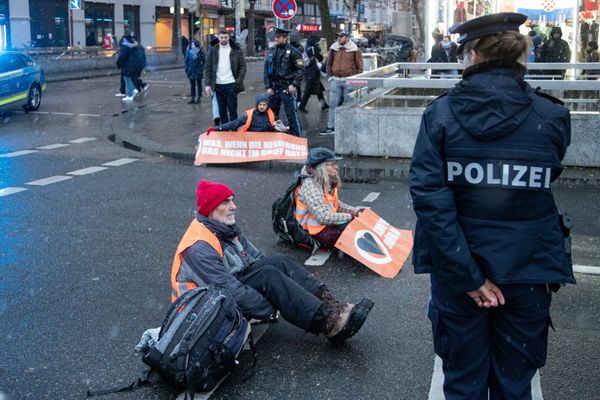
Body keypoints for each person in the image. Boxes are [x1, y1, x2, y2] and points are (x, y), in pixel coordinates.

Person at [408, 12, 575, 400]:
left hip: (457, 273)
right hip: (527, 270)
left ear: (474, 55)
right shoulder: (551, 115)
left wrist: (470, 278)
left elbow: (431, 202)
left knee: (463, 382)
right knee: (515, 385)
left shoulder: (440, 114)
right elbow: (547, 176)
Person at [170, 180, 374, 343]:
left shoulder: (222, 228)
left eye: (232, 200)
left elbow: (256, 259)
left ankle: (330, 304)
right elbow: (227, 290)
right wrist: (270, 306)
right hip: (202, 309)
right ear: (210, 209)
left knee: (277, 262)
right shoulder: (199, 248)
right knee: (269, 276)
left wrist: (281, 292)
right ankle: (328, 324)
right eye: (226, 202)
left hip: (227, 287)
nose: (234, 207)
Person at [295, 148, 362, 250]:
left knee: (362, 218)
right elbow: (324, 217)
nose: (336, 167)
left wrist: (355, 212)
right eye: (331, 164)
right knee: (355, 229)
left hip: (326, 226)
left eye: (335, 164)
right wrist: (351, 216)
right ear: (319, 168)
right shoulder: (310, 186)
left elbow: (336, 204)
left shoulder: (322, 180)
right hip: (316, 233)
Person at [319, 32, 363, 136]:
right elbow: (328, 63)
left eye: (341, 36)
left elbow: (360, 66)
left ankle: (348, 126)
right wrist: (330, 78)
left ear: (347, 38)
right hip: (335, 80)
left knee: (348, 105)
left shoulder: (355, 49)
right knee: (333, 104)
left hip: (349, 81)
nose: (339, 38)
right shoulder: (334, 48)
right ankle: (331, 127)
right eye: (338, 36)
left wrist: (355, 79)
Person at [264, 27, 304, 137]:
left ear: (285, 38)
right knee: (271, 115)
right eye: (275, 37)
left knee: (291, 115)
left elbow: (300, 70)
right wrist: (268, 86)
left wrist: (294, 84)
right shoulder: (271, 51)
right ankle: (271, 137)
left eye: (278, 37)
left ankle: (297, 138)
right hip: (274, 88)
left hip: (287, 87)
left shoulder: (293, 52)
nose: (276, 39)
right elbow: (266, 70)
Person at [204, 30, 247, 124]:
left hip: (231, 84)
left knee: (232, 110)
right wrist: (207, 84)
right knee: (222, 111)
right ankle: (224, 130)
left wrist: (238, 82)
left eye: (225, 37)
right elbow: (208, 67)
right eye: (221, 37)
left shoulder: (235, 49)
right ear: (218, 38)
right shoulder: (213, 49)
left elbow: (243, 67)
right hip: (218, 84)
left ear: (229, 37)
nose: (223, 39)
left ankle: (234, 129)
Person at [206, 94, 275, 133]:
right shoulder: (250, 115)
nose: (262, 107)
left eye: (264, 105)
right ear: (257, 105)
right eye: (260, 104)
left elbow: (276, 128)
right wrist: (217, 128)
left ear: (267, 106)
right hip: (252, 144)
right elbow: (234, 124)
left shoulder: (271, 115)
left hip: (266, 145)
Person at [298, 38, 329, 113]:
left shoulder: (306, 48)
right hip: (312, 71)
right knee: (308, 90)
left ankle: (323, 104)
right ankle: (302, 106)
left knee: (319, 88)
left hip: (308, 71)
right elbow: (320, 57)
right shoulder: (312, 48)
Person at [116, 35, 139, 101]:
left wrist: (118, 63)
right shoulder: (134, 46)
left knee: (127, 78)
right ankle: (134, 90)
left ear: (125, 39)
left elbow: (122, 56)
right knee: (128, 78)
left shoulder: (126, 46)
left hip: (127, 65)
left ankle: (130, 95)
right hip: (133, 64)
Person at [185, 39, 206, 104]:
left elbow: (204, 60)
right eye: (191, 44)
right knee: (192, 85)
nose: (192, 45)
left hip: (198, 71)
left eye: (193, 44)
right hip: (191, 71)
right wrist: (187, 69)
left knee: (199, 85)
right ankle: (193, 98)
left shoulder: (200, 51)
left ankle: (199, 97)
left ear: (196, 45)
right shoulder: (189, 52)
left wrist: (202, 68)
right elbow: (186, 61)